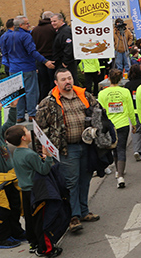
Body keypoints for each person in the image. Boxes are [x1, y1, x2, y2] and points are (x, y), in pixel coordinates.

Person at [35, 68, 102, 233]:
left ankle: (84, 211)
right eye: (63, 79)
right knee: (70, 182)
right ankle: (73, 216)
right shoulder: (48, 102)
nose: (68, 82)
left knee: (85, 180)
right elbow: (40, 129)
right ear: (56, 83)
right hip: (66, 149)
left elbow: (99, 114)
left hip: (86, 145)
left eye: (69, 78)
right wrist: (41, 151)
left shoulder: (85, 96)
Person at [5, 124, 59, 257]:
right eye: (26, 131)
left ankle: (33, 242)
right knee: (40, 219)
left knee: (30, 219)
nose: (29, 132)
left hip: (25, 190)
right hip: (35, 191)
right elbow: (43, 170)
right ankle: (44, 248)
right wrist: (48, 157)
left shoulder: (17, 152)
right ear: (23, 138)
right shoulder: (29, 154)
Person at [0, 100, 23, 249]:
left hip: (9, 178)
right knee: (1, 211)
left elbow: (9, 126)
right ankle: (1, 239)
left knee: (14, 207)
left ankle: (16, 232)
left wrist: (13, 107)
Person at [5, 15, 55, 122]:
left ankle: (19, 116)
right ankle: (32, 114)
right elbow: (32, 52)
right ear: (20, 25)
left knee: (18, 93)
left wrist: (9, 66)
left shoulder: (6, 36)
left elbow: (4, 54)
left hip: (13, 69)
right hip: (27, 67)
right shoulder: (26, 36)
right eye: (27, 23)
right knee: (31, 91)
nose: (29, 25)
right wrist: (45, 61)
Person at [98, 69, 136, 188]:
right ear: (120, 80)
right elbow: (130, 108)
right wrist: (134, 123)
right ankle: (120, 175)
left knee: (114, 147)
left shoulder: (102, 93)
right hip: (123, 123)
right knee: (121, 149)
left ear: (108, 79)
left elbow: (100, 111)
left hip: (109, 125)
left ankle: (117, 171)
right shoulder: (125, 92)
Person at [50, 13, 78, 85]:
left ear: (61, 20)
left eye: (54, 21)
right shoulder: (60, 31)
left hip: (66, 64)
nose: (52, 23)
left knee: (69, 82)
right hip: (62, 62)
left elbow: (68, 47)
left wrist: (65, 62)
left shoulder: (65, 31)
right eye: (51, 22)